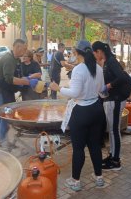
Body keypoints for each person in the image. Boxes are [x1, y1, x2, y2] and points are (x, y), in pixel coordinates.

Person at [50, 40, 106, 191]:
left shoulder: (79, 69)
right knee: (95, 145)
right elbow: (101, 89)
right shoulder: (98, 68)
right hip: (96, 109)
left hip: (81, 112)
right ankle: (99, 177)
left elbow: (74, 93)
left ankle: (75, 181)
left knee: (79, 148)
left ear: (76, 53)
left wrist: (58, 87)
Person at [92, 41, 131, 171]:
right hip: (112, 99)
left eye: (94, 53)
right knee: (112, 129)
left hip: (115, 100)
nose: (94, 55)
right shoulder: (107, 61)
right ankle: (112, 155)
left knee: (114, 130)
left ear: (99, 51)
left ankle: (116, 161)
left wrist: (108, 86)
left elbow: (121, 77)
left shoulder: (111, 61)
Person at [0, 39, 38, 148]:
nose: (26, 50)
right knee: (5, 115)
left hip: (7, 91)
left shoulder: (16, 59)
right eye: (24, 48)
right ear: (17, 47)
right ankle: (3, 142)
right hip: (0, 91)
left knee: (1, 114)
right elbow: (9, 79)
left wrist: (25, 79)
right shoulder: (8, 59)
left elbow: (16, 76)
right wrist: (27, 82)